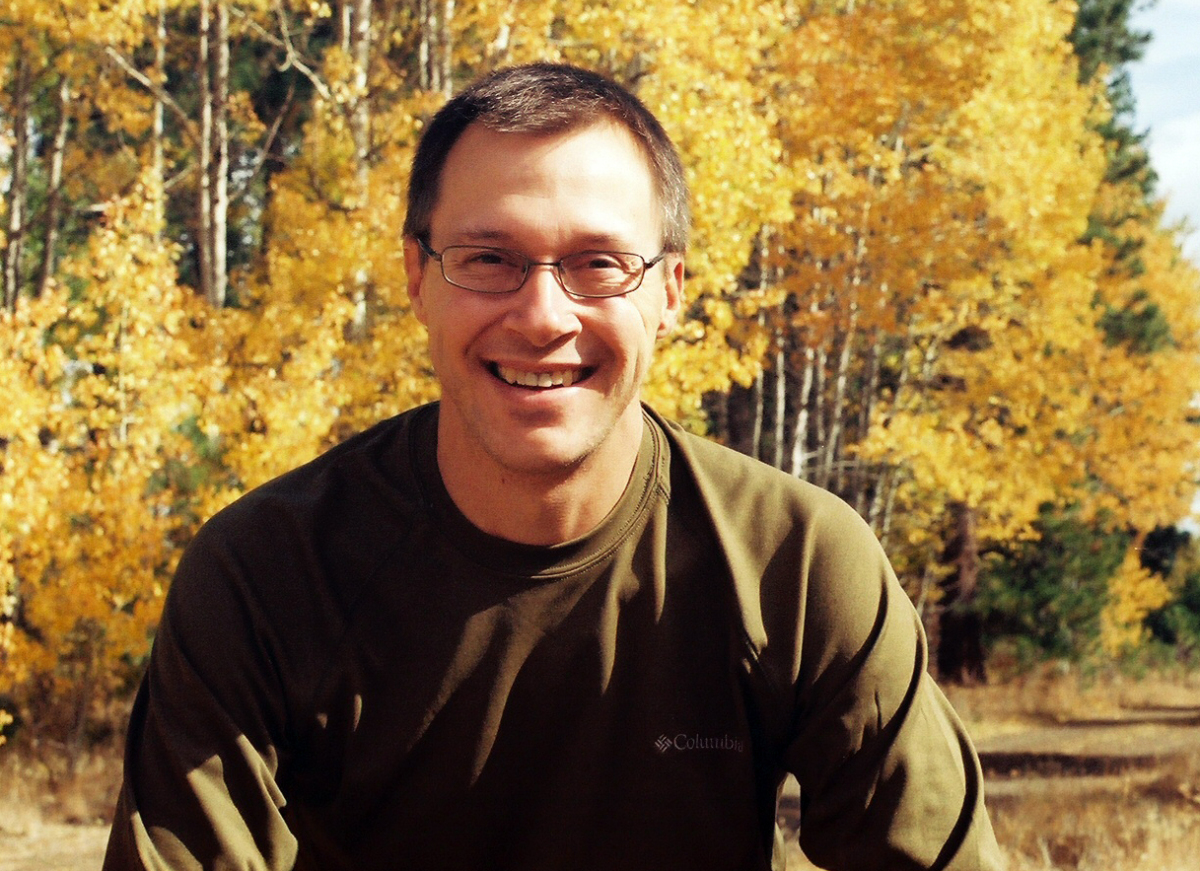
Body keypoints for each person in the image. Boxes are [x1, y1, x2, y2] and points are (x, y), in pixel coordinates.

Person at [103, 62, 1002, 871]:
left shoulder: (793, 563)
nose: (542, 316)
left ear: (669, 293)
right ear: (417, 277)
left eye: (598, 264)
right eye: (488, 259)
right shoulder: (268, 573)